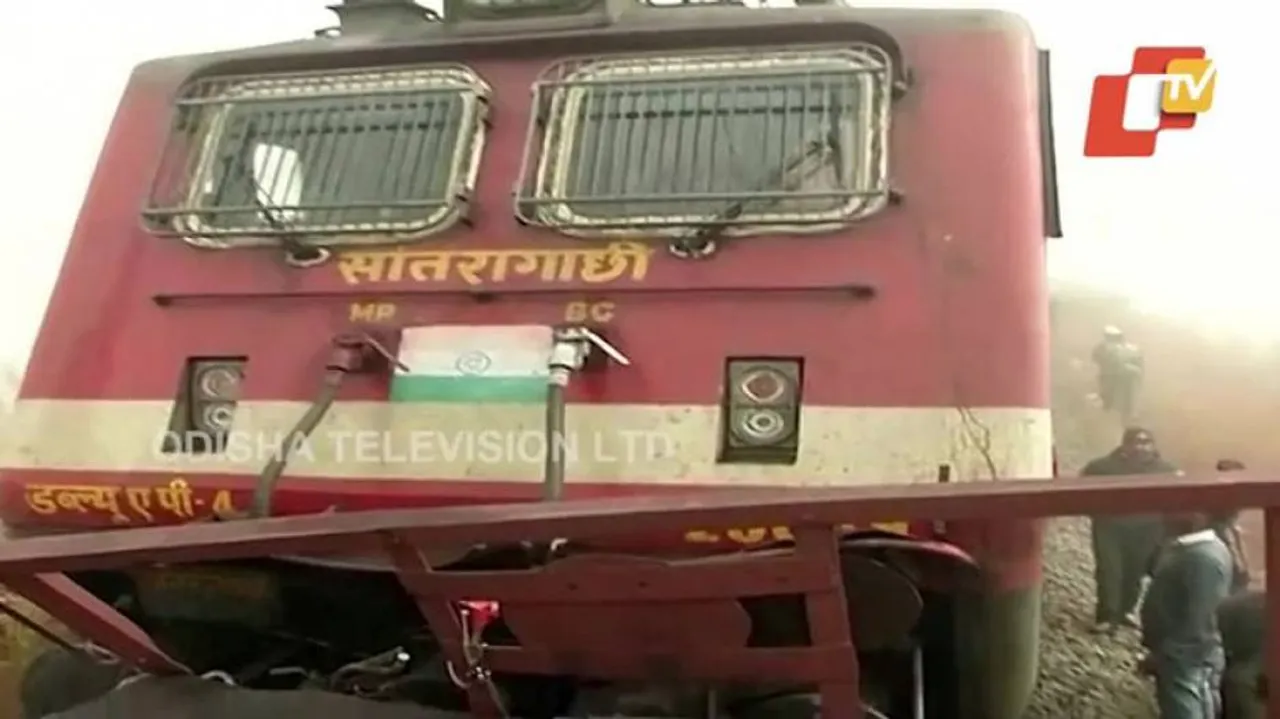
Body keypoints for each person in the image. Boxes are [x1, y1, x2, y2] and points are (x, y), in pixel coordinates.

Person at [1139, 511, 1233, 719]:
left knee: (1185, 708)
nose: (1164, 516)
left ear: (1196, 518)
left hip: (1186, 655)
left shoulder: (1202, 558)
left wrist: (1171, 652)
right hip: (1185, 652)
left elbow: (1201, 616)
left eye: (1173, 512)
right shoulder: (1193, 549)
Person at [1083, 427, 1178, 633]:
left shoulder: (1166, 470)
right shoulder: (1102, 467)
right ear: (1125, 445)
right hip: (1110, 527)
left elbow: (1176, 500)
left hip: (1148, 528)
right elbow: (1082, 492)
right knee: (1109, 570)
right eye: (1136, 442)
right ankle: (1107, 615)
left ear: (1153, 446)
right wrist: (1097, 513)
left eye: (1146, 442)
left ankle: (1126, 610)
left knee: (1135, 572)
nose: (1141, 447)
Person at [1091, 325, 1144, 420]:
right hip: (1109, 374)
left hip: (1117, 373)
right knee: (1108, 393)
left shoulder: (1126, 347)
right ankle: (1113, 410)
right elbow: (1097, 358)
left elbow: (1135, 360)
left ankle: (1129, 412)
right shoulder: (1103, 347)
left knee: (1124, 392)